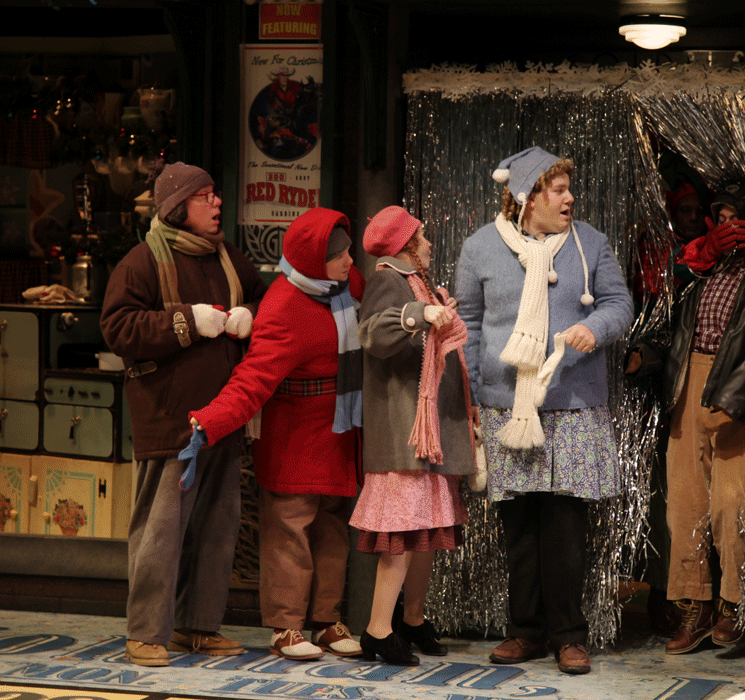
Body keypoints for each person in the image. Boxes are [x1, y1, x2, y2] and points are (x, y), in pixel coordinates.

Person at [456, 147, 633, 675]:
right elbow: (467, 322)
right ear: (526, 197)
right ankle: (524, 631)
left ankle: (568, 635)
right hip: (508, 406)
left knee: (564, 524)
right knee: (519, 527)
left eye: (567, 188)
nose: (569, 198)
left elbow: (619, 304)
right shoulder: (482, 248)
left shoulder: (590, 244)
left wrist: (594, 329)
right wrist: (472, 392)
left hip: (571, 404)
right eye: (557, 190)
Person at [100, 161, 267, 666]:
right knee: (160, 532)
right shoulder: (141, 262)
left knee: (217, 528)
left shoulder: (227, 258)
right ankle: (146, 631)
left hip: (223, 417)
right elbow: (118, 328)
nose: (217, 204)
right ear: (178, 208)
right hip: (171, 420)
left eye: (216, 194)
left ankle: (196, 626)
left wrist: (250, 317)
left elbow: (262, 298)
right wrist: (187, 321)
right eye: (206, 196)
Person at [188, 207, 364, 661]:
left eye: (349, 252)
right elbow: (253, 379)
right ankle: (286, 627)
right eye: (340, 255)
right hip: (294, 434)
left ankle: (325, 619)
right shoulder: (284, 305)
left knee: (331, 528)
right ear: (312, 261)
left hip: (340, 429)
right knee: (289, 529)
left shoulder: (347, 289)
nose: (350, 262)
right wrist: (211, 419)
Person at [627, 180, 745, 655]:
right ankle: (697, 605)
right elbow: (669, 320)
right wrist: (646, 356)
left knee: (731, 503)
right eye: (722, 218)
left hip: (737, 390)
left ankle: (735, 605)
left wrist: (734, 398)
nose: (730, 228)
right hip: (689, 381)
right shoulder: (702, 268)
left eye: (739, 218)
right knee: (684, 503)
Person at [350, 205, 477, 666]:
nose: (427, 243)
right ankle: (377, 630)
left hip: (426, 436)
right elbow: (374, 332)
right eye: (421, 237)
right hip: (404, 435)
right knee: (401, 534)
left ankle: (412, 617)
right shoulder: (389, 279)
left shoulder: (416, 281)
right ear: (404, 244)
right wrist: (420, 313)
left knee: (426, 531)